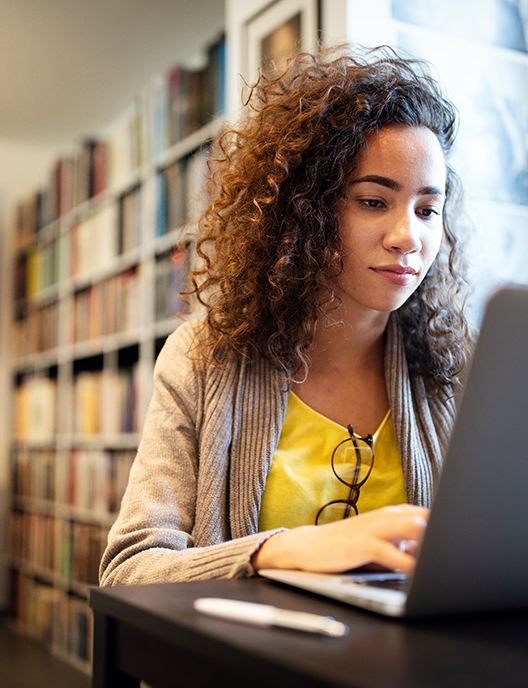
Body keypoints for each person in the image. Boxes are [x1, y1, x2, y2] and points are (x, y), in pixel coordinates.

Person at [99, 46, 472, 586]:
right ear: (307, 209)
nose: (408, 238)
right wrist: (283, 551)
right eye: (373, 201)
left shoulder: (457, 371)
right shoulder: (202, 357)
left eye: (427, 210)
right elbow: (129, 570)